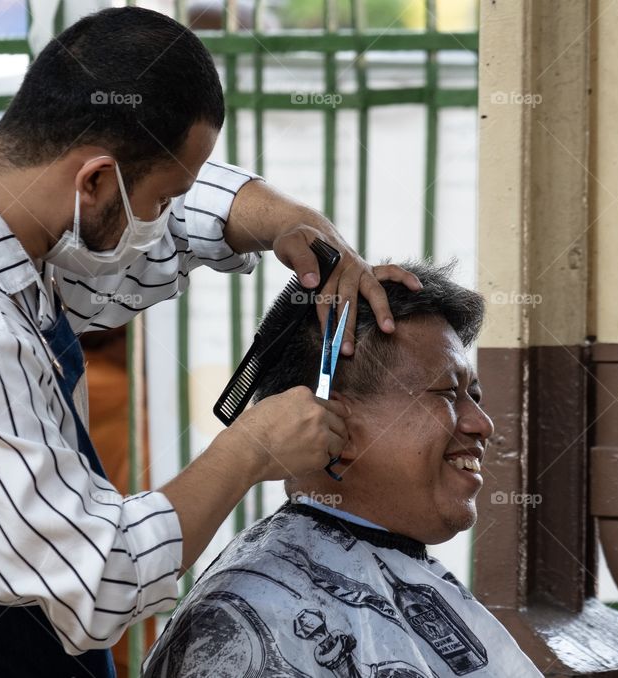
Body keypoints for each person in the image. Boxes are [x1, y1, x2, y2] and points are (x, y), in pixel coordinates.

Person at [0, 7, 421, 677]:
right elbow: (101, 579)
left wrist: (290, 221)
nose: (163, 221)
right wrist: (251, 448)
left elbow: (166, 224)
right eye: (162, 199)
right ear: (95, 180)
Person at [143, 260, 542, 678]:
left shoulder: (405, 570)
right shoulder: (248, 619)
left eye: (473, 394)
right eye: (447, 393)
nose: (482, 423)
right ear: (334, 426)